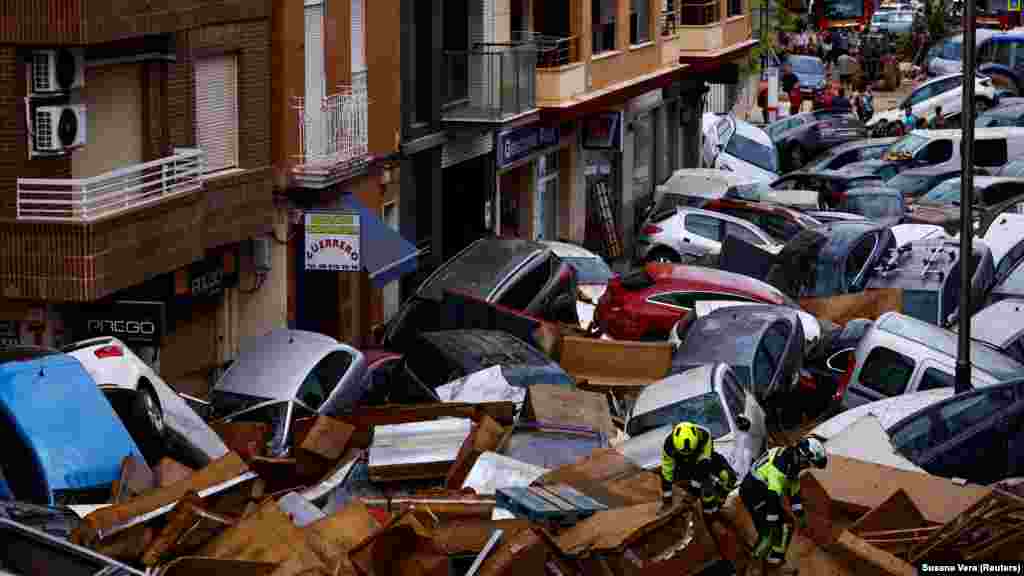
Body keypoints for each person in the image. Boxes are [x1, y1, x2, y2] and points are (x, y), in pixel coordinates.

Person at [740, 437, 828, 566]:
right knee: (769, 533)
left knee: (785, 525)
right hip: (753, 492)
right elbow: (773, 497)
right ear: (801, 456)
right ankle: (752, 566)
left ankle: (774, 560)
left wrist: (800, 514)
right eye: (808, 463)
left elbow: (794, 492)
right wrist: (772, 521)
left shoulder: (792, 462)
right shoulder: (780, 467)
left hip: (764, 490)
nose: (807, 467)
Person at [660, 422, 738, 516]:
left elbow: (704, 464)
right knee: (707, 493)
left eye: (690, 451)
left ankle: (720, 500)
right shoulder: (668, 446)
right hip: (683, 465)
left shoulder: (704, 435)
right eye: (684, 452)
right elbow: (667, 472)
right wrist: (667, 496)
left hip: (704, 460)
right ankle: (709, 513)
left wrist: (695, 487)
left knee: (730, 477)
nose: (688, 453)